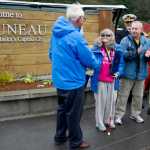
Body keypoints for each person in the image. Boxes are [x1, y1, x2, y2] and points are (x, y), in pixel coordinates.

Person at [48, 4, 100, 150]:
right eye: (83, 18)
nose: (84, 21)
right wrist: (97, 64)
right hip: (74, 82)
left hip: (60, 81)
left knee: (62, 110)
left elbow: (51, 54)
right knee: (74, 114)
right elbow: (89, 60)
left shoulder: (56, 33)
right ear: (78, 19)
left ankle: (59, 137)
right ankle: (76, 142)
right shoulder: (76, 36)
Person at [115, 21, 150, 125]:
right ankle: (118, 116)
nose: (134, 30)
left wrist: (148, 55)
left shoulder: (146, 41)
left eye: (136, 28)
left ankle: (135, 114)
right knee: (123, 96)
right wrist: (136, 52)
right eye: (132, 28)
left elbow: (147, 57)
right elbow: (122, 55)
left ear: (141, 30)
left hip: (141, 74)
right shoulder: (125, 40)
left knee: (138, 96)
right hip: (127, 73)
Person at [90, 29, 124, 131]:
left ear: (112, 36)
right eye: (103, 35)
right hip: (99, 80)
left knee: (112, 102)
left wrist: (119, 73)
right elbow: (90, 63)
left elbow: (122, 64)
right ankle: (99, 123)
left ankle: (109, 120)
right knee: (101, 103)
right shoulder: (95, 49)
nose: (105, 36)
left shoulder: (117, 49)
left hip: (113, 80)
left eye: (108, 35)